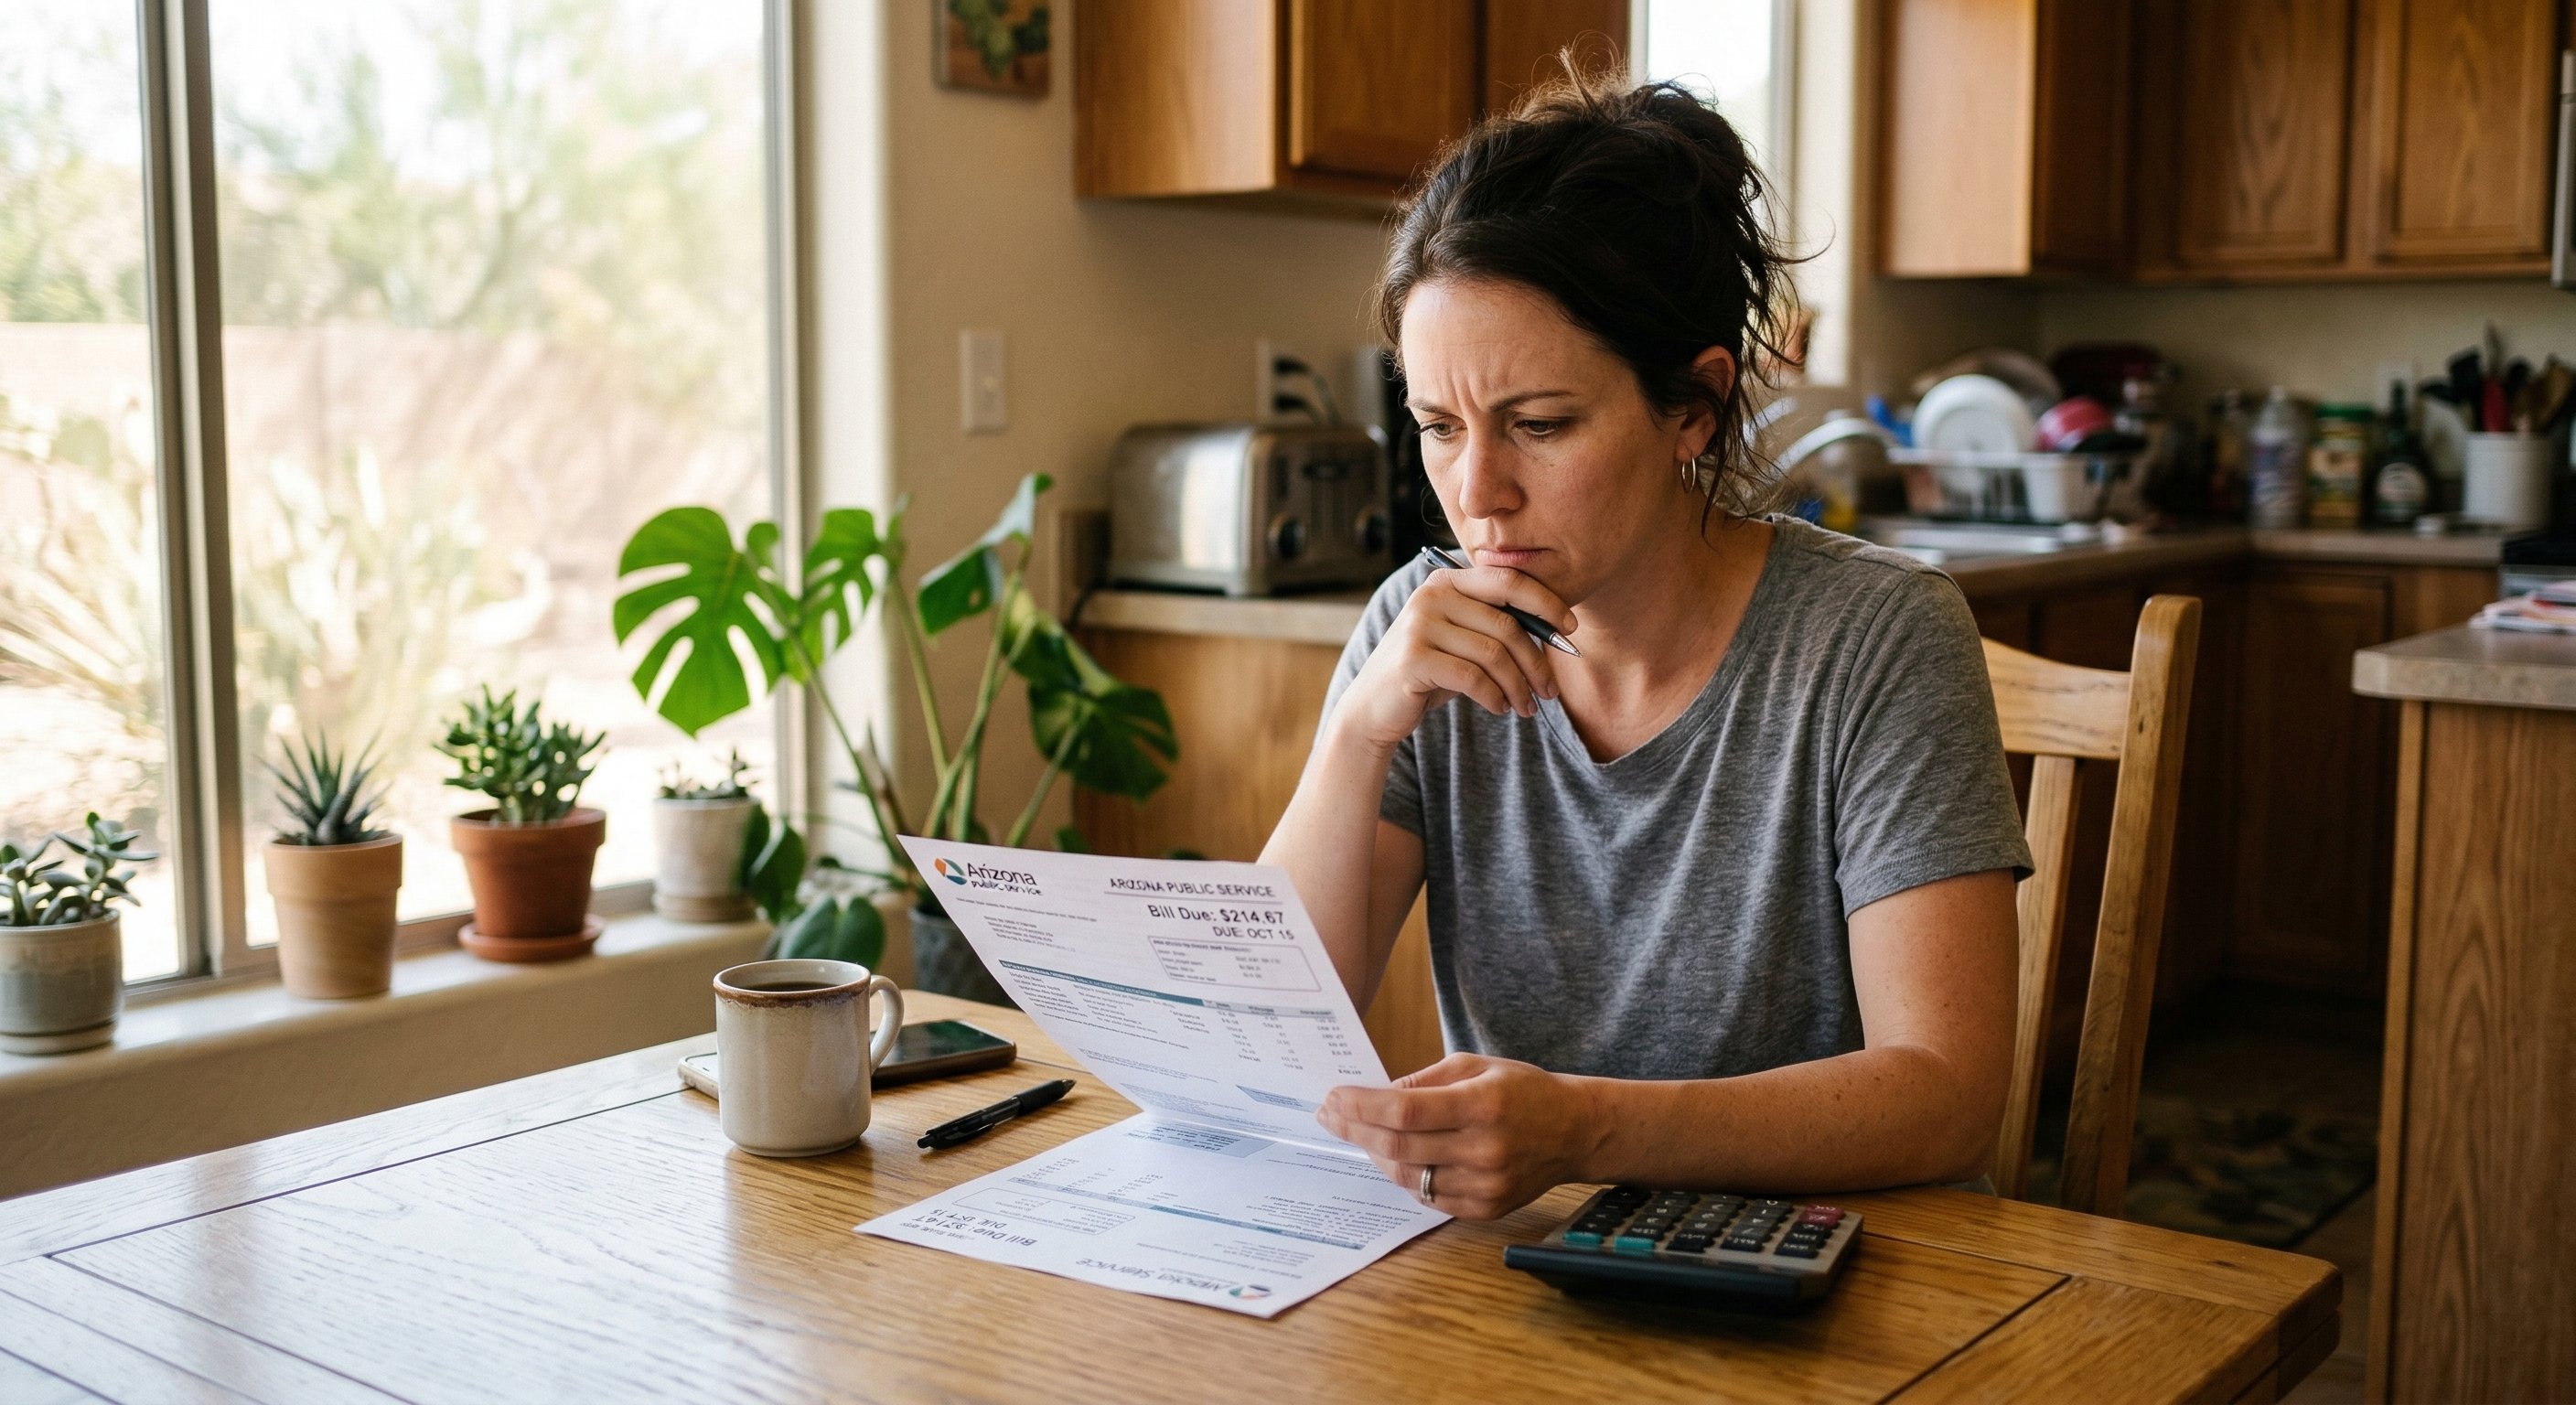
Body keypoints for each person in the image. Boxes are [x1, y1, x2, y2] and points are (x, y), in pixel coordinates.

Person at [1261, 69, 2034, 1221]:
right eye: (1436, 426)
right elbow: (1265, 1024)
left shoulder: (1877, 639)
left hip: (1842, 1276)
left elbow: (1944, 1095)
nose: (1477, 493)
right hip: (1537, 1274)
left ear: (1693, 407)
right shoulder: (1418, 634)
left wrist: (1585, 1126)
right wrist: (1357, 734)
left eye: (1539, 424)